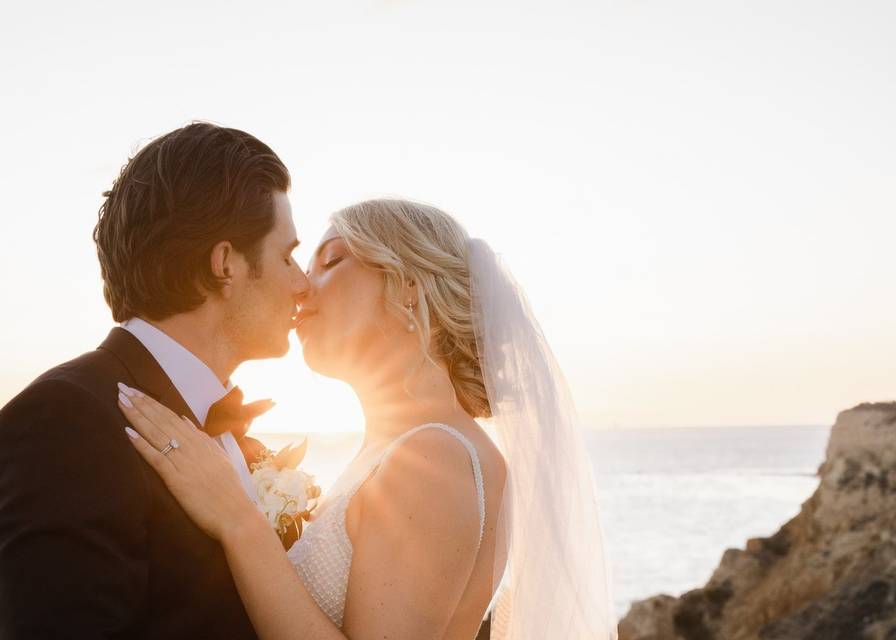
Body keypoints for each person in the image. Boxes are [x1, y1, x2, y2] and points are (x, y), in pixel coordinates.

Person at [120, 199, 618, 639]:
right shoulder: (411, 450)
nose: (300, 288)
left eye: (330, 262)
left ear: (407, 288)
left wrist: (237, 520)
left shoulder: (435, 457)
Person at [0, 122, 308, 639]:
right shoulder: (62, 423)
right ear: (225, 264)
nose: (301, 283)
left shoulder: (232, 437)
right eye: (287, 256)